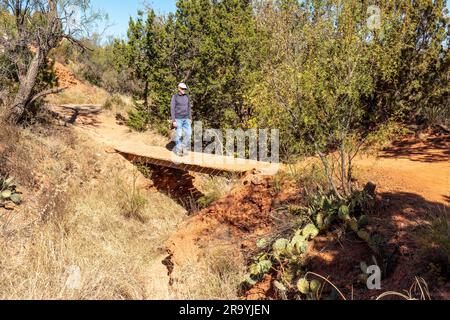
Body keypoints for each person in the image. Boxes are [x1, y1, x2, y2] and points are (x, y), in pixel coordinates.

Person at [171, 83, 192, 156]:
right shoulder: (175, 97)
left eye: (185, 89)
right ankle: (178, 150)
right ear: (179, 88)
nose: (184, 90)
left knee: (189, 133)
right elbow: (172, 109)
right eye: (182, 89)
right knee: (179, 135)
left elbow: (189, 108)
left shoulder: (187, 97)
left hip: (186, 118)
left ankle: (184, 146)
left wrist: (190, 118)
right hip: (178, 119)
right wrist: (173, 121)